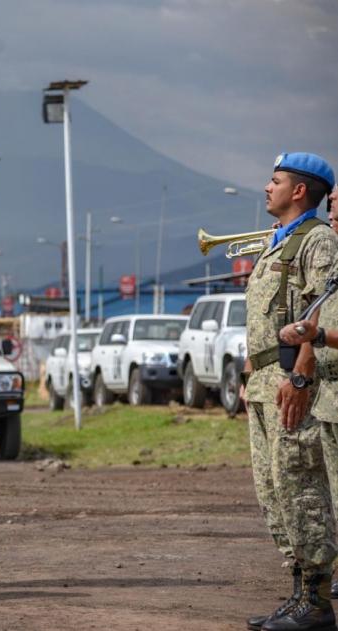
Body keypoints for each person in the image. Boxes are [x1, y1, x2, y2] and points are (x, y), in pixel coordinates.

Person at [241, 152, 338, 631]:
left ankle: (318, 603)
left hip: (289, 384)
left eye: (274, 180)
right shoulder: (277, 243)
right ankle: (298, 593)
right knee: (274, 494)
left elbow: (319, 309)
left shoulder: (316, 241)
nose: (266, 187)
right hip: (263, 384)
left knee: (300, 489)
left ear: (299, 190)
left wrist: (300, 377)